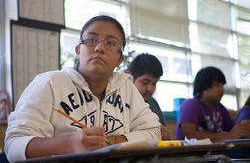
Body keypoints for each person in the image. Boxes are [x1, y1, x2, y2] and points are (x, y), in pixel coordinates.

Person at [4, 15, 161, 162]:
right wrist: (69, 144)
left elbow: (154, 132)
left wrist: (111, 142)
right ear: (78, 50)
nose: (99, 48)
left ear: (120, 59)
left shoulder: (126, 87)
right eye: (91, 40)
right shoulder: (49, 83)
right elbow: (14, 145)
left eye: (111, 43)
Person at [176, 66, 250, 142]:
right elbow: (189, 135)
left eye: (222, 85)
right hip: (191, 152)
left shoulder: (220, 108)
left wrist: (244, 128)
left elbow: (234, 130)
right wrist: (229, 136)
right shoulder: (190, 104)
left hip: (213, 152)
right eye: (217, 85)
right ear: (203, 88)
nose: (222, 89)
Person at [126, 53, 171, 140]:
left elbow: (166, 137)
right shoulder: (120, 102)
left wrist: (165, 134)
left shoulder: (153, 102)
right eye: (145, 82)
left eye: (154, 83)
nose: (150, 89)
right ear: (129, 77)